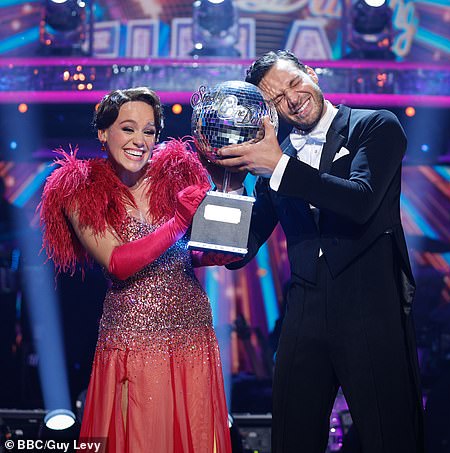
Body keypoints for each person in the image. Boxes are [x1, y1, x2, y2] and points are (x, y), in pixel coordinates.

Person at [214, 51, 425, 453]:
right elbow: (236, 252)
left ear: (311, 72)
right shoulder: (275, 161)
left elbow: (361, 202)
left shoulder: (375, 125)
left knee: (390, 437)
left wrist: (277, 166)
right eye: (276, 99)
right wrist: (230, 184)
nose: (291, 100)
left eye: (294, 83)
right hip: (304, 316)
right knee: (292, 439)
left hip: (371, 310)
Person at [39, 87, 233, 453]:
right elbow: (118, 262)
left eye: (149, 131)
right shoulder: (80, 187)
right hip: (134, 339)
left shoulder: (173, 176)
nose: (139, 141)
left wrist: (215, 253)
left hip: (193, 336)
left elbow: (180, 254)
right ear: (103, 131)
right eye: (128, 128)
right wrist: (178, 220)